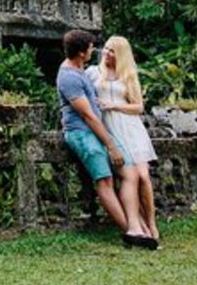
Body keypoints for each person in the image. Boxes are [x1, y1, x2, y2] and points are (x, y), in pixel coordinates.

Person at [56, 29, 156, 249]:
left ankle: (136, 225)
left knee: (130, 173)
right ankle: (131, 230)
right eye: (92, 47)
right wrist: (111, 145)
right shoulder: (69, 77)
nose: (96, 50)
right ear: (82, 53)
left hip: (98, 130)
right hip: (82, 133)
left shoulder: (81, 69)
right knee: (105, 179)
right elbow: (87, 115)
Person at [88, 36, 159, 242]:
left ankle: (151, 221)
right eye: (106, 49)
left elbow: (138, 107)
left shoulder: (127, 75)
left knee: (143, 176)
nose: (107, 54)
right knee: (128, 175)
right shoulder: (93, 73)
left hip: (130, 127)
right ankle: (137, 223)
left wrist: (113, 105)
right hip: (109, 128)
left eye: (112, 51)